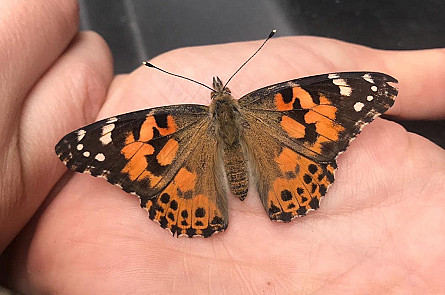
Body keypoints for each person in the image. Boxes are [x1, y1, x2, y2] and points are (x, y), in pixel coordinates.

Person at [0, 0, 444, 293]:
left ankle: (219, 208)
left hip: (190, 177)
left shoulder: (163, 127)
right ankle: (281, 196)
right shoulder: (283, 104)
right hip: (283, 156)